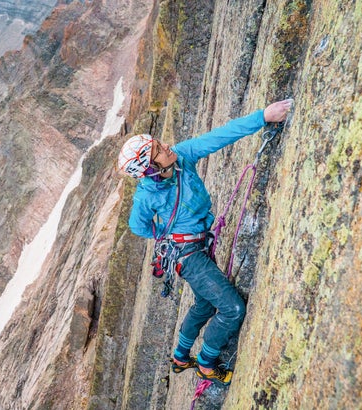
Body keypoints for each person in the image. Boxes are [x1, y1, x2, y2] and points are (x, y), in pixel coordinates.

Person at [117, 99, 292, 385]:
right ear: (149, 169)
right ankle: (207, 364)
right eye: (158, 151)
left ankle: (180, 356)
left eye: (159, 143)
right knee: (232, 309)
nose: (166, 147)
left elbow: (220, 136)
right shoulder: (147, 196)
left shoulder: (182, 157)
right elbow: (137, 226)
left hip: (195, 245)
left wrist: (264, 116)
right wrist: (166, 234)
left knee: (205, 304)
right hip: (187, 254)